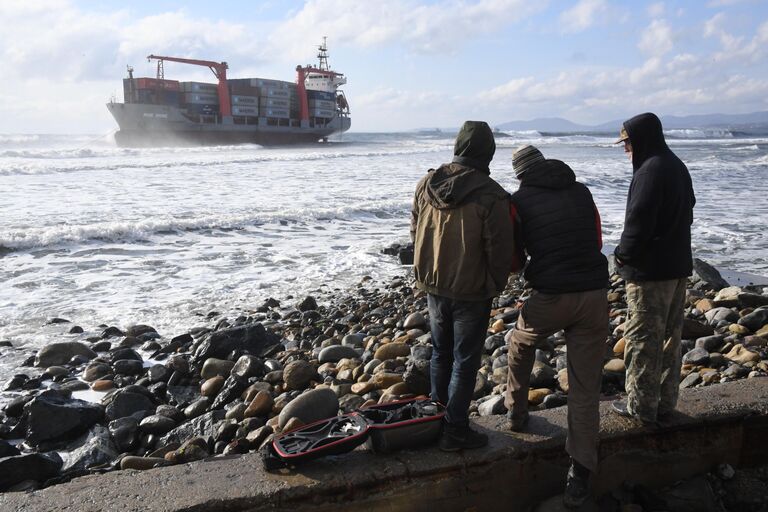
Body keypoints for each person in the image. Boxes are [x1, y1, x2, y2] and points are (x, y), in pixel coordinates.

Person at [505, 145, 609, 508]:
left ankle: (517, 413)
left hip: (551, 297)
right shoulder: (582, 190)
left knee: (519, 343)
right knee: (584, 387)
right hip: (595, 295)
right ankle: (580, 474)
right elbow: (597, 239)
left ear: (520, 174)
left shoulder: (517, 201)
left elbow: (516, 260)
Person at [411, 120, 515, 451]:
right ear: (488, 152)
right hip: (471, 289)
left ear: (458, 145)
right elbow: (499, 248)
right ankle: (455, 430)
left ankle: (434, 419)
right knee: (465, 360)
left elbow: (415, 230)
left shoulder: (427, 184)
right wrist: (495, 283)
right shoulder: (491, 194)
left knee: (441, 353)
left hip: (433, 283)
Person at [611, 113, 695, 426]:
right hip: (677, 267)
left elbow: (637, 224)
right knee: (671, 340)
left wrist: (621, 256)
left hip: (650, 273)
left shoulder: (650, 171)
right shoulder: (675, 165)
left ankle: (640, 406)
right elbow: (690, 208)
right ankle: (664, 403)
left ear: (643, 138)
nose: (625, 149)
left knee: (643, 340)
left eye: (628, 142)